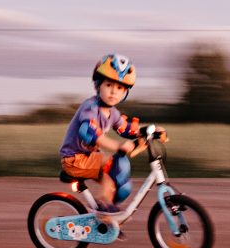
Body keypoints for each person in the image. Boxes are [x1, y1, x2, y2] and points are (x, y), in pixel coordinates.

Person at [59, 53, 157, 212]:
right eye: (109, 85)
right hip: (74, 159)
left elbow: (125, 129)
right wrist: (117, 146)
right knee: (117, 164)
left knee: (122, 185)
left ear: (125, 92)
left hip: (89, 157)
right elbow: (88, 132)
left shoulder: (113, 113)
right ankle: (104, 207)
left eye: (119, 88)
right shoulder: (90, 107)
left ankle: (107, 217)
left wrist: (149, 131)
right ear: (98, 85)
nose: (113, 92)